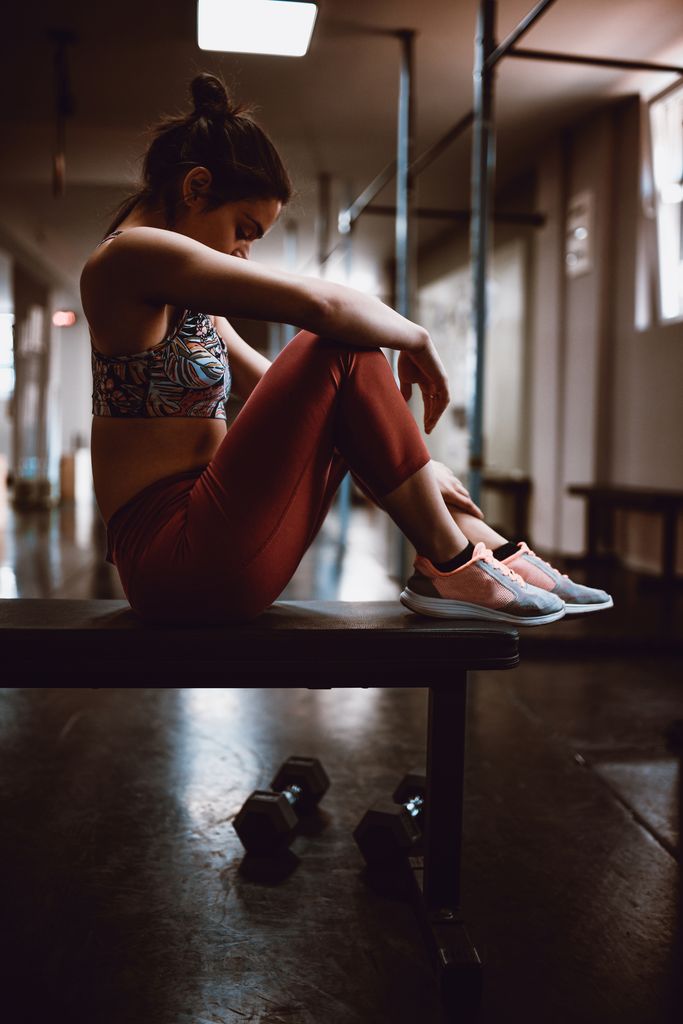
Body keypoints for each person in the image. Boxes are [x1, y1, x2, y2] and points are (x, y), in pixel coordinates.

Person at [81, 72, 612, 627]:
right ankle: (452, 563)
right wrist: (415, 336)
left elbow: (279, 391)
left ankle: (483, 547)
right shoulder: (127, 257)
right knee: (339, 346)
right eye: (243, 229)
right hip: (173, 561)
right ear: (195, 187)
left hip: (219, 535)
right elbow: (323, 309)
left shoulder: (191, 304)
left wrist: (418, 465)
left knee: (346, 364)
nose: (241, 254)